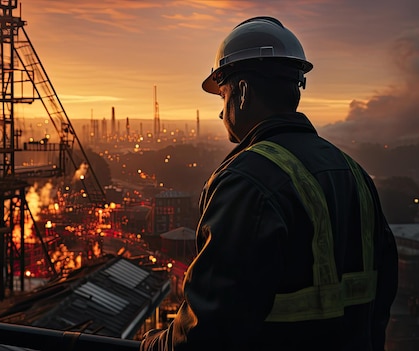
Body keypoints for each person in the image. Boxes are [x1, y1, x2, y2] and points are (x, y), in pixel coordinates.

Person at [140, 16, 398, 350]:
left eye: (223, 95)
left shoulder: (246, 179)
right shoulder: (354, 174)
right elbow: (382, 298)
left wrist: (153, 345)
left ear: (242, 91)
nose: (221, 113)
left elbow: (208, 329)